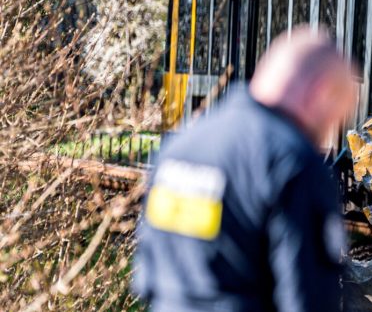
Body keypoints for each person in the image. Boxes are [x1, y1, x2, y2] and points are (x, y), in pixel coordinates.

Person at [132, 27, 359, 312]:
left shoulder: (181, 147)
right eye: (334, 116)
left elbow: (146, 274)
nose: (327, 129)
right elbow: (306, 299)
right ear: (320, 92)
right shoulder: (293, 164)